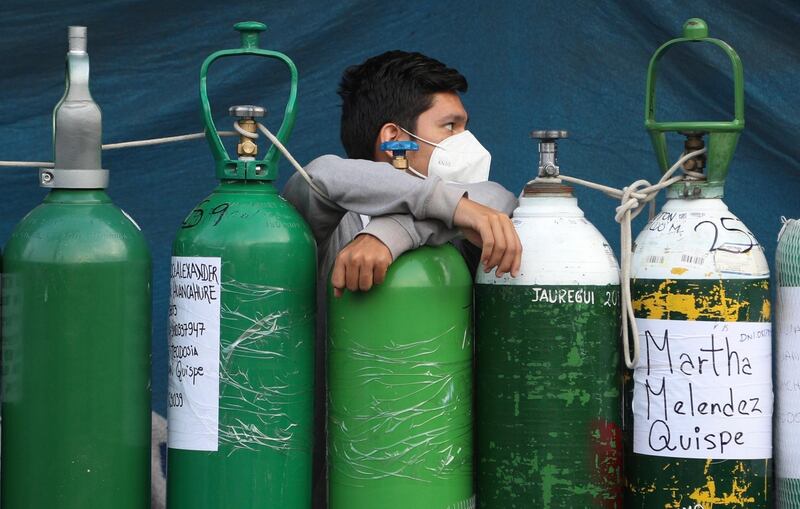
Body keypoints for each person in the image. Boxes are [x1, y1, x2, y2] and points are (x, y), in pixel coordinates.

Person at [282, 50, 521, 508]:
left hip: (438, 485)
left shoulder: (463, 219)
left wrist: (394, 233)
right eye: (450, 127)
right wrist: (449, 207)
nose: (466, 142)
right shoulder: (326, 224)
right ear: (395, 138)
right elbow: (322, 175)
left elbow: (497, 197)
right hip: (337, 491)